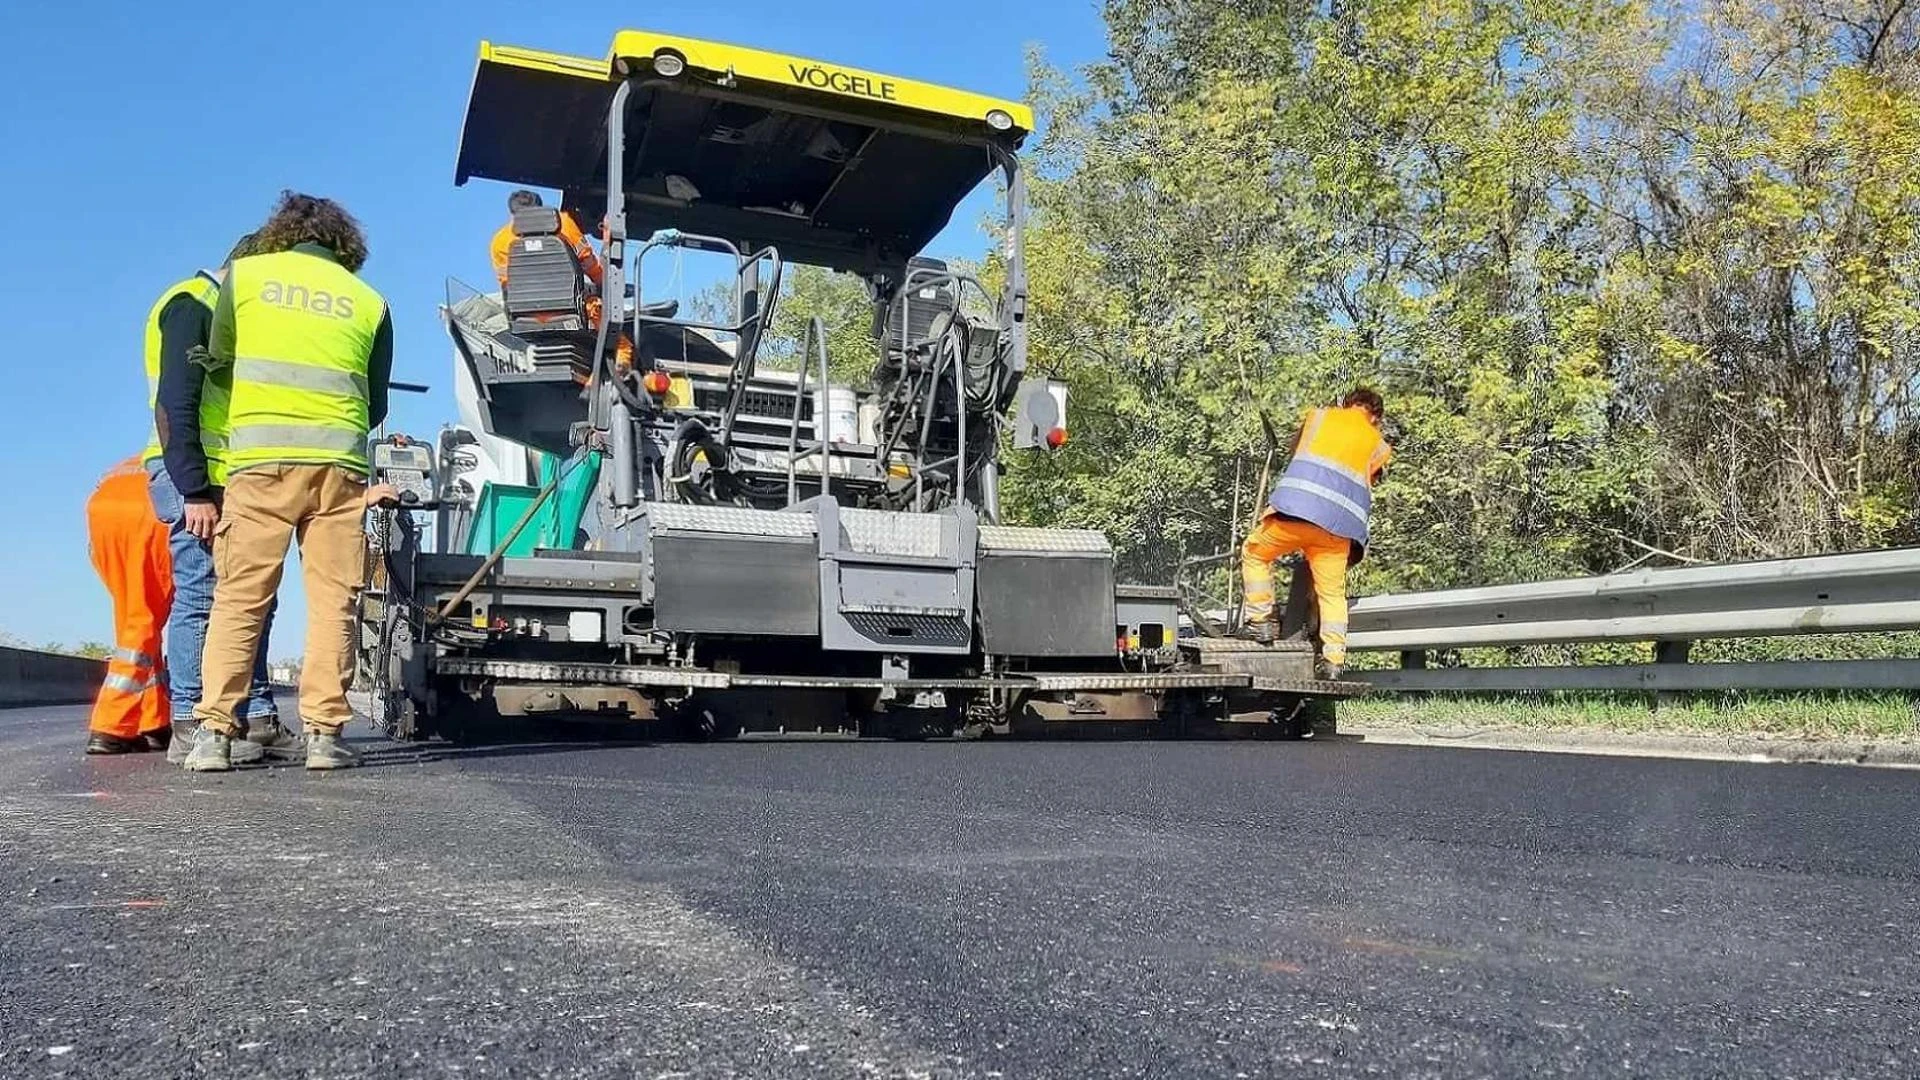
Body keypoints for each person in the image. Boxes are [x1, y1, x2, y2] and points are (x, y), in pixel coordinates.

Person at [182, 192, 398, 773]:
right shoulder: (369, 301)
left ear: (282, 232)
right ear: (345, 244)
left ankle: (214, 737)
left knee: (239, 599)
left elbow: (223, 359)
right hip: (339, 471)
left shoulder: (246, 279)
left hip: (261, 463)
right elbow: (375, 404)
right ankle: (324, 736)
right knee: (335, 602)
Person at [145, 235, 286, 764]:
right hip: (194, 476)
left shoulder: (222, 317)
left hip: (224, 476)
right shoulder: (192, 305)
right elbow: (175, 404)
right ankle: (189, 724)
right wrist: (195, 490)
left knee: (250, 599)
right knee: (203, 598)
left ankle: (251, 720)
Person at [1240, 387, 1393, 679]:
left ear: (1347, 404)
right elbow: (1370, 476)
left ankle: (1261, 621)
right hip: (1336, 531)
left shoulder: (1318, 417)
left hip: (1293, 513)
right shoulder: (1380, 446)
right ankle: (1333, 661)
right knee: (1332, 594)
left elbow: (1296, 450)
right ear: (1376, 417)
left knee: (1255, 553)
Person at [82, 458, 176, 754]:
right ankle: (111, 725)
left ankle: (154, 721)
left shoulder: (137, 458)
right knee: (142, 619)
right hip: (150, 511)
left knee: (135, 615)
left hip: (104, 512)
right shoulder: (207, 442)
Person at [489, 189, 633, 370]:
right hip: (573, 312)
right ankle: (622, 363)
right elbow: (591, 265)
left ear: (512, 213)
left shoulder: (499, 241)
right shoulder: (564, 224)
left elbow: (506, 284)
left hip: (526, 318)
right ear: (540, 207)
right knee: (618, 341)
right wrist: (603, 287)